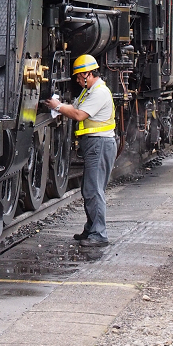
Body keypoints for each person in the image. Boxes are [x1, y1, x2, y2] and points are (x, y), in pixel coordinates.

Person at [43, 54, 117, 248]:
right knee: (89, 189)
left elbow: (78, 114)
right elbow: (73, 107)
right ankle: (91, 228)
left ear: (88, 74)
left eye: (78, 76)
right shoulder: (89, 91)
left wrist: (57, 106)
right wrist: (57, 106)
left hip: (100, 145)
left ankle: (99, 234)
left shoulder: (99, 92)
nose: (77, 80)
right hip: (95, 145)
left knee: (94, 190)